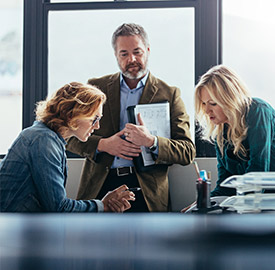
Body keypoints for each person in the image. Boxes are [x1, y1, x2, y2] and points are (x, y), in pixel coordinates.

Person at [66, 23, 195, 212]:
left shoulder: (169, 94)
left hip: (148, 193)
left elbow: (187, 152)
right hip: (101, 186)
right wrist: (103, 144)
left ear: (148, 50)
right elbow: (68, 136)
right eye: (124, 54)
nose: (132, 59)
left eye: (137, 52)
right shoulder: (96, 87)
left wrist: (151, 141)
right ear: (116, 55)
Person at [0, 82, 135, 212]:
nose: (97, 126)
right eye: (93, 119)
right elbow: (59, 207)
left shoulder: (48, 138)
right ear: (72, 115)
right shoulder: (44, 141)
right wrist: (102, 205)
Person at [194, 65, 275, 197]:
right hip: (271, 198)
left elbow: (258, 172)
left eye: (212, 103)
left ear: (229, 100)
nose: (207, 111)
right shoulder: (221, 134)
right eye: (203, 103)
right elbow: (225, 185)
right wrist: (204, 203)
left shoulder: (258, 110)